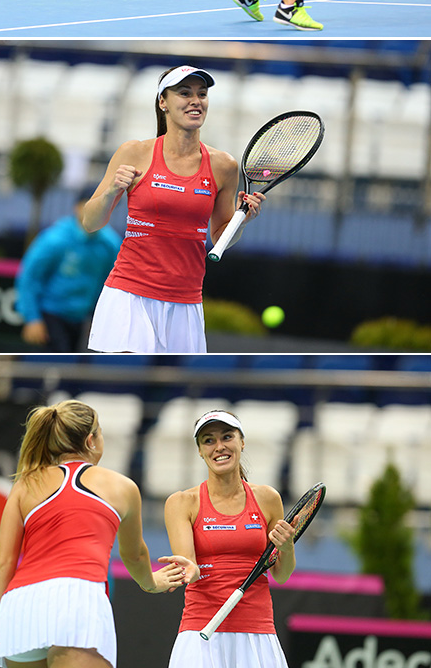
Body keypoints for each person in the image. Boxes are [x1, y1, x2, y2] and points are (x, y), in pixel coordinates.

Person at [0, 396, 186, 668]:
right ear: (91, 440)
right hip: (78, 601)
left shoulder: (25, 484)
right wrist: (151, 583)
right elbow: (135, 555)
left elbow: (3, 564)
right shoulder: (122, 486)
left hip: (20, 608)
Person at [84, 64, 263, 354]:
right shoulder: (134, 152)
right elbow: (90, 222)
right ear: (163, 102)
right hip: (128, 295)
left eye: (202, 94)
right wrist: (112, 190)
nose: (196, 100)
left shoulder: (224, 166)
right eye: (184, 93)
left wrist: (242, 220)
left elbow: (220, 238)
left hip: (186, 302)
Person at [165, 407, 296, 668]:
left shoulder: (268, 499)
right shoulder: (182, 503)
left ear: (242, 442)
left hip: (257, 631)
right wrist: (184, 571)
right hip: (201, 629)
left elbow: (280, 575)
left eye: (227, 437)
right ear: (200, 451)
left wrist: (288, 547)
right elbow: (188, 565)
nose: (219, 447)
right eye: (208, 440)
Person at [15, 199, 121, 351]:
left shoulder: (111, 244)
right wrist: (32, 318)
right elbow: (30, 277)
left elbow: (112, 284)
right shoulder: (55, 239)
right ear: (77, 207)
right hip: (51, 315)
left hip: (84, 319)